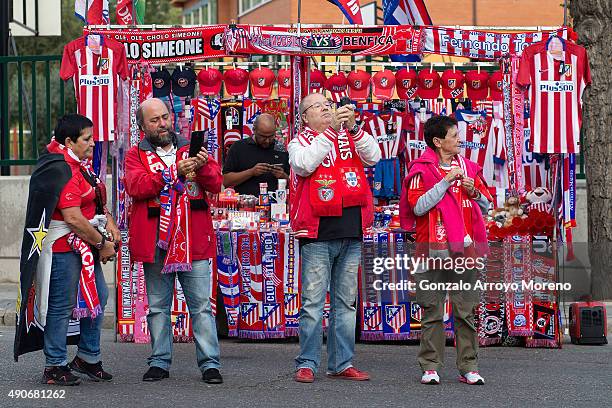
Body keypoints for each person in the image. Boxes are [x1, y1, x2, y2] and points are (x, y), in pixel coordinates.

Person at [125, 98, 223, 384]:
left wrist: (203, 167)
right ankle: (159, 361)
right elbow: (136, 186)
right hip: (157, 243)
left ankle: (210, 364)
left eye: (165, 117)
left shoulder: (191, 148)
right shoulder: (135, 155)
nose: (162, 124)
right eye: (154, 120)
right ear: (142, 126)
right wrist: (173, 173)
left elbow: (216, 184)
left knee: (202, 307)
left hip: (193, 241)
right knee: (157, 307)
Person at [15, 114, 118, 386]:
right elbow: (72, 218)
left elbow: (94, 199)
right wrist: (102, 243)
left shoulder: (77, 164)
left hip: (85, 242)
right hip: (64, 247)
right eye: (87, 138)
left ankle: (87, 356)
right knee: (62, 306)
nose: (94, 143)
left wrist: (109, 222)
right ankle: (54, 365)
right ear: (70, 141)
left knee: (99, 297)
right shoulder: (61, 169)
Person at [288, 92, 381, 383]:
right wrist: (331, 132)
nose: (327, 110)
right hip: (317, 233)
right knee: (313, 303)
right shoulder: (299, 142)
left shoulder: (348, 136)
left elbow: (374, 156)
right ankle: (307, 362)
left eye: (328, 106)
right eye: (318, 107)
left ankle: (342, 362)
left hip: (351, 230)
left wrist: (353, 129)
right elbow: (304, 164)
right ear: (304, 117)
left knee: (346, 302)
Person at [399, 115, 492, 385]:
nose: (459, 140)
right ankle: (430, 366)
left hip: (465, 251)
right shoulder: (421, 170)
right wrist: (444, 182)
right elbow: (417, 207)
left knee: (466, 311)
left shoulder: (470, 168)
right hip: (431, 252)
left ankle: (469, 367)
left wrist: (474, 192)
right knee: (432, 312)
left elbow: (486, 206)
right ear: (438, 142)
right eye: (453, 135)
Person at [223, 113, 289, 196]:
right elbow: (226, 181)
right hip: (246, 205)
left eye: (271, 136)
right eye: (263, 137)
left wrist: (282, 175)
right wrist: (251, 172)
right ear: (254, 130)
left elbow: (292, 182)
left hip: (276, 204)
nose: (267, 141)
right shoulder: (238, 147)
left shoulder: (280, 147)